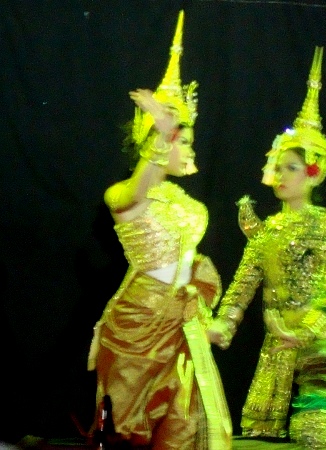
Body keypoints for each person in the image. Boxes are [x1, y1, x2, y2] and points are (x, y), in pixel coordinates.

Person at [207, 46, 326, 449]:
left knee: (311, 435)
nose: (281, 175)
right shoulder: (266, 231)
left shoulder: (324, 225)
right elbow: (242, 288)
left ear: (314, 174)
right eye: (278, 167)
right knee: (263, 439)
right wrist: (223, 324)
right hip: (281, 349)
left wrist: (306, 329)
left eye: (291, 168)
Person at [86, 10, 232, 450]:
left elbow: (190, 267)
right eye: (180, 140)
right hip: (138, 324)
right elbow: (139, 192)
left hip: (181, 329)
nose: (186, 148)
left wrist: (207, 318)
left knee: (184, 427)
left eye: (187, 140)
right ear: (152, 139)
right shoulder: (122, 194)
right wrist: (163, 134)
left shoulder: (187, 203)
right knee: (126, 430)